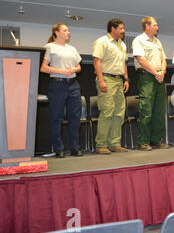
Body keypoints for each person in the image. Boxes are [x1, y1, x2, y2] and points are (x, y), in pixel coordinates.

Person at [40, 23, 83, 157]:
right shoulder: (49, 47)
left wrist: (74, 69)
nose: (68, 32)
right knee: (56, 118)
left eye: (68, 30)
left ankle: (75, 147)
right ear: (56, 33)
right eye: (65, 30)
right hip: (57, 85)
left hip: (73, 85)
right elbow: (43, 68)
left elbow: (79, 67)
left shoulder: (72, 48)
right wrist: (62, 71)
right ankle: (58, 148)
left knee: (75, 117)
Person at [92, 18, 130, 154]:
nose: (123, 31)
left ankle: (115, 143)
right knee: (107, 111)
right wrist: (101, 81)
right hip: (106, 78)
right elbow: (97, 61)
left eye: (123, 28)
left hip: (119, 80)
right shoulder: (102, 41)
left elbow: (124, 63)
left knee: (119, 113)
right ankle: (101, 144)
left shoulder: (123, 45)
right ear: (112, 29)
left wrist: (126, 79)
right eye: (121, 28)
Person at [132, 17, 169, 151]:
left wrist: (163, 72)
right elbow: (141, 60)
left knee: (159, 110)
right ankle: (143, 142)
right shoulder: (139, 40)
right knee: (146, 110)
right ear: (147, 26)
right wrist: (156, 73)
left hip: (159, 77)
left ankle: (156, 140)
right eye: (155, 25)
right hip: (147, 77)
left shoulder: (158, 42)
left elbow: (164, 59)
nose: (157, 28)